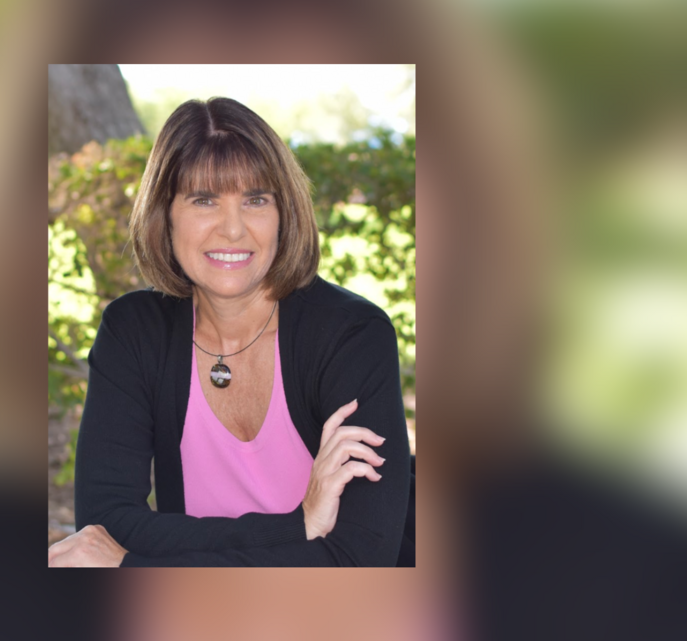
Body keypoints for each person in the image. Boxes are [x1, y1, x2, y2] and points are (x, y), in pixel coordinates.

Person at [47, 96, 414, 567]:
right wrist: (298, 525)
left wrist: (133, 565)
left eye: (256, 199)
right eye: (204, 200)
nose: (234, 229)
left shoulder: (351, 336)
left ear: (284, 215)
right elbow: (108, 522)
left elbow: (359, 558)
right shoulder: (133, 332)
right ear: (166, 213)